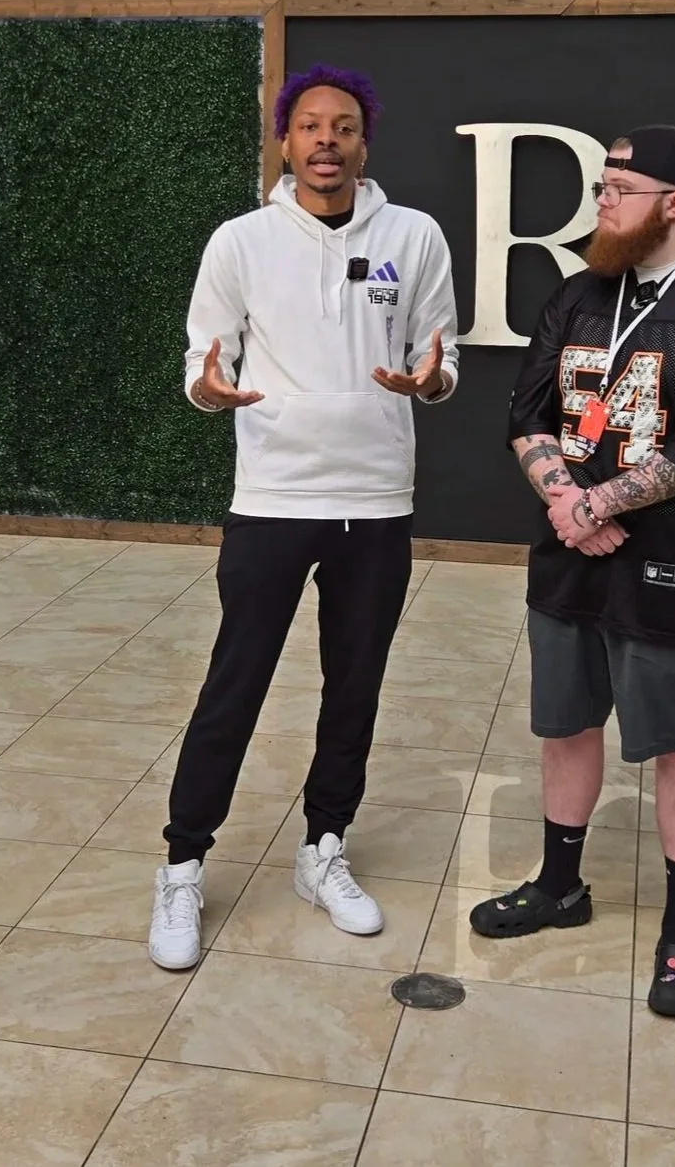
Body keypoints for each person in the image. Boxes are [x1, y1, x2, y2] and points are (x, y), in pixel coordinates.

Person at [148, 64, 461, 971]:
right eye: (310, 125)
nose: (327, 140)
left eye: (345, 126)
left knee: (353, 685)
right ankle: (182, 862)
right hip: (274, 499)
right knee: (233, 686)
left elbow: (439, 360)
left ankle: (324, 848)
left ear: (366, 143)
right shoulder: (241, 242)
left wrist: (429, 381)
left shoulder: (415, 235)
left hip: (375, 500)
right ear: (285, 142)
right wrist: (208, 391)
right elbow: (201, 366)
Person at [470, 125, 675, 1020]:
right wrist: (569, 502)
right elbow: (527, 412)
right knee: (565, 726)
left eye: (618, 188)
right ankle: (561, 886)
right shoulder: (578, 295)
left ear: (673, 204)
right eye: (601, 185)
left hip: (674, 561)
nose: (600, 202)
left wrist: (597, 507)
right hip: (570, 552)